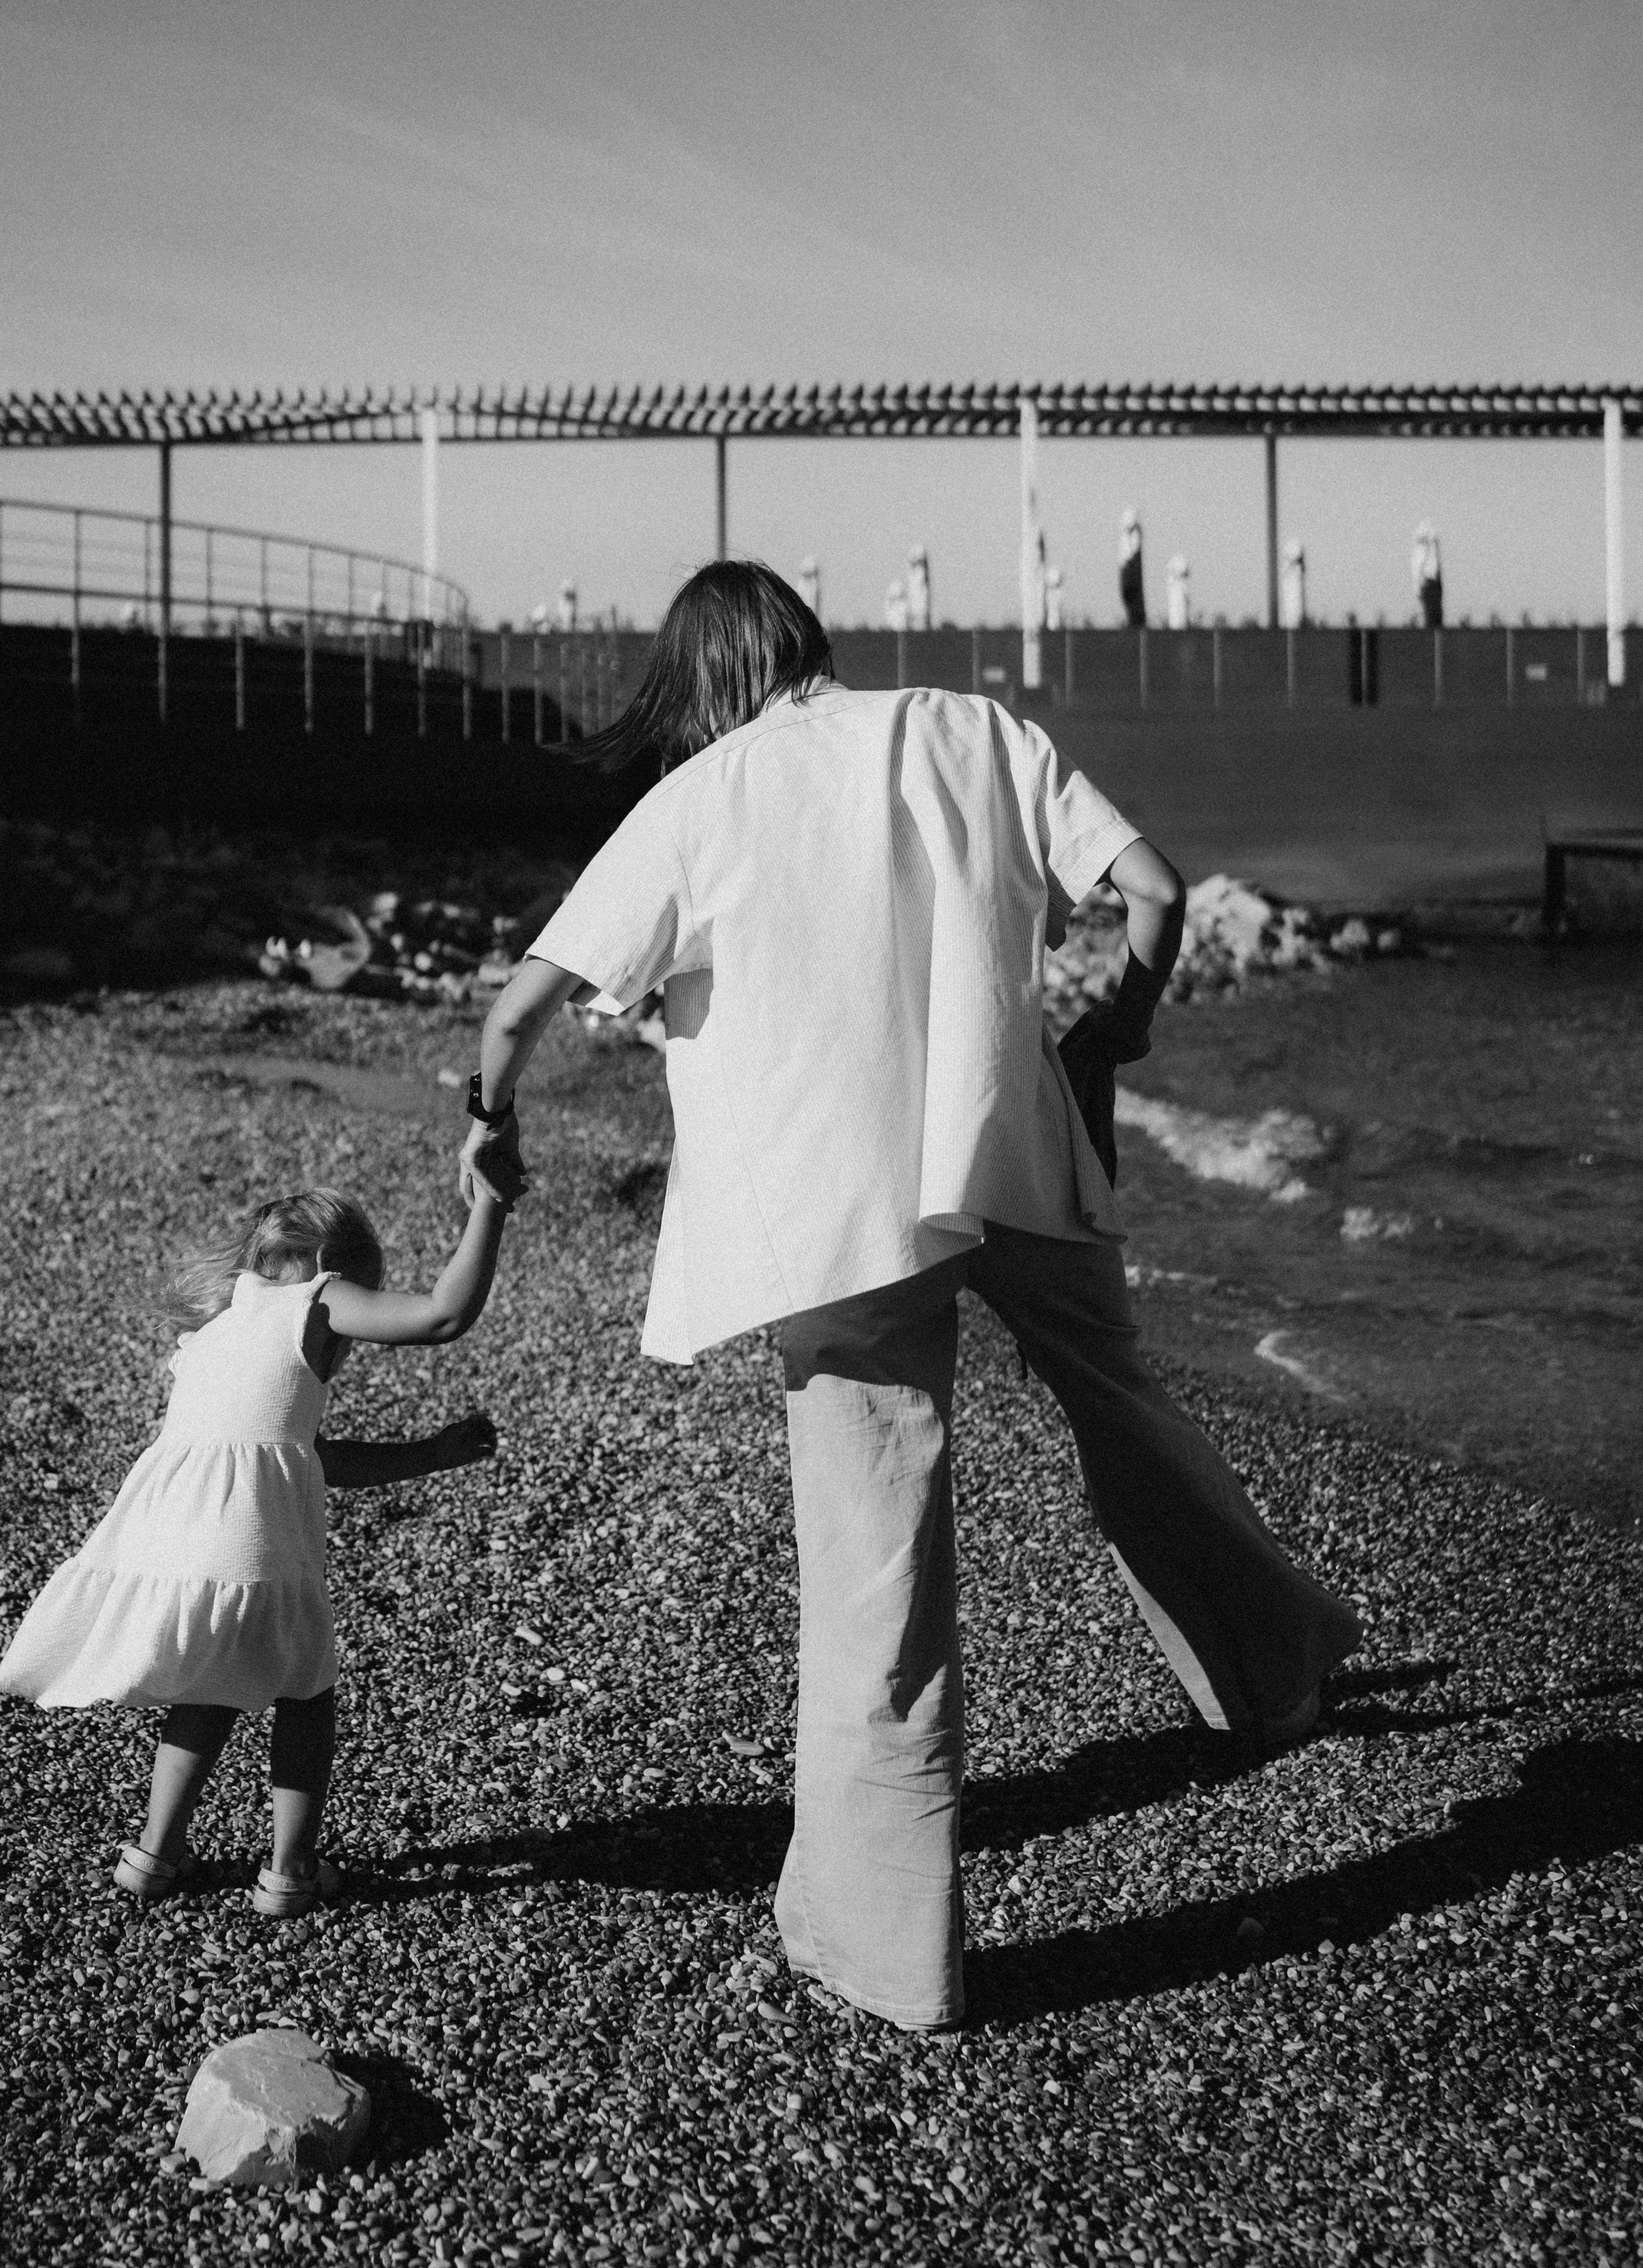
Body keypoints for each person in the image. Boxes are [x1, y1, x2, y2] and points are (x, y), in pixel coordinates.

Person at [460, 562, 1361, 2032]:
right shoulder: (973, 728)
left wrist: (489, 1122)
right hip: (1014, 1148)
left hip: (836, 1215)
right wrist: (1105, 1040)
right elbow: (1154, 892)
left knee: (879, 1554)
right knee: (1122, 1405)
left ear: (699, 682)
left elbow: (520, 1011)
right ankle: (1277, 1673)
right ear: (807, 643)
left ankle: (890, 1949)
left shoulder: (702, 796)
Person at [0, 1171, 515, 1916]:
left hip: (170, 1535)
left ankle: (153, 1853)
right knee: (307, 1693)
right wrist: (491, 1203)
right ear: (331, 1263)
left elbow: (310, 1454)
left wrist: (428, 1453)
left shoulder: (217, 1327)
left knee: (212, 1683)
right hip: (250, 1536)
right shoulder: (316, 1298)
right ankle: (289, 1872)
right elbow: (440, 1316)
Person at [1412, 521, 1444, 630]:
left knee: (1435, 619)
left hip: (1432, 584)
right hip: (1428, 585)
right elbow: (1419, 570)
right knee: (1430, 620)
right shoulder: (1421, 551)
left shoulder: (1430, 550)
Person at [1118, 508, 1146, 627]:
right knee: (1127, 595)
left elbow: (1133, 553)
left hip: (1131, 571)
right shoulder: (1124, 538)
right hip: (1126, 571)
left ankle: (1136, 623)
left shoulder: (1136, 536)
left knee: (1133, 598)